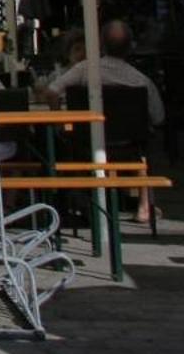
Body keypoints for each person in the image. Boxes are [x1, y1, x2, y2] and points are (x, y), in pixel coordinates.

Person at [40, 20, 167, 224]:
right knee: (145, 149)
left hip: (85, 142)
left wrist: (59, 120)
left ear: (102, 45)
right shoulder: (141, 80)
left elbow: (51, 91)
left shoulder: (84, 69)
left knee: (64, 144)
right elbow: (158, 117)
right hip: (129, 146)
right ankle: (144, 205)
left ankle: (80, 199)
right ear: (130, 47)